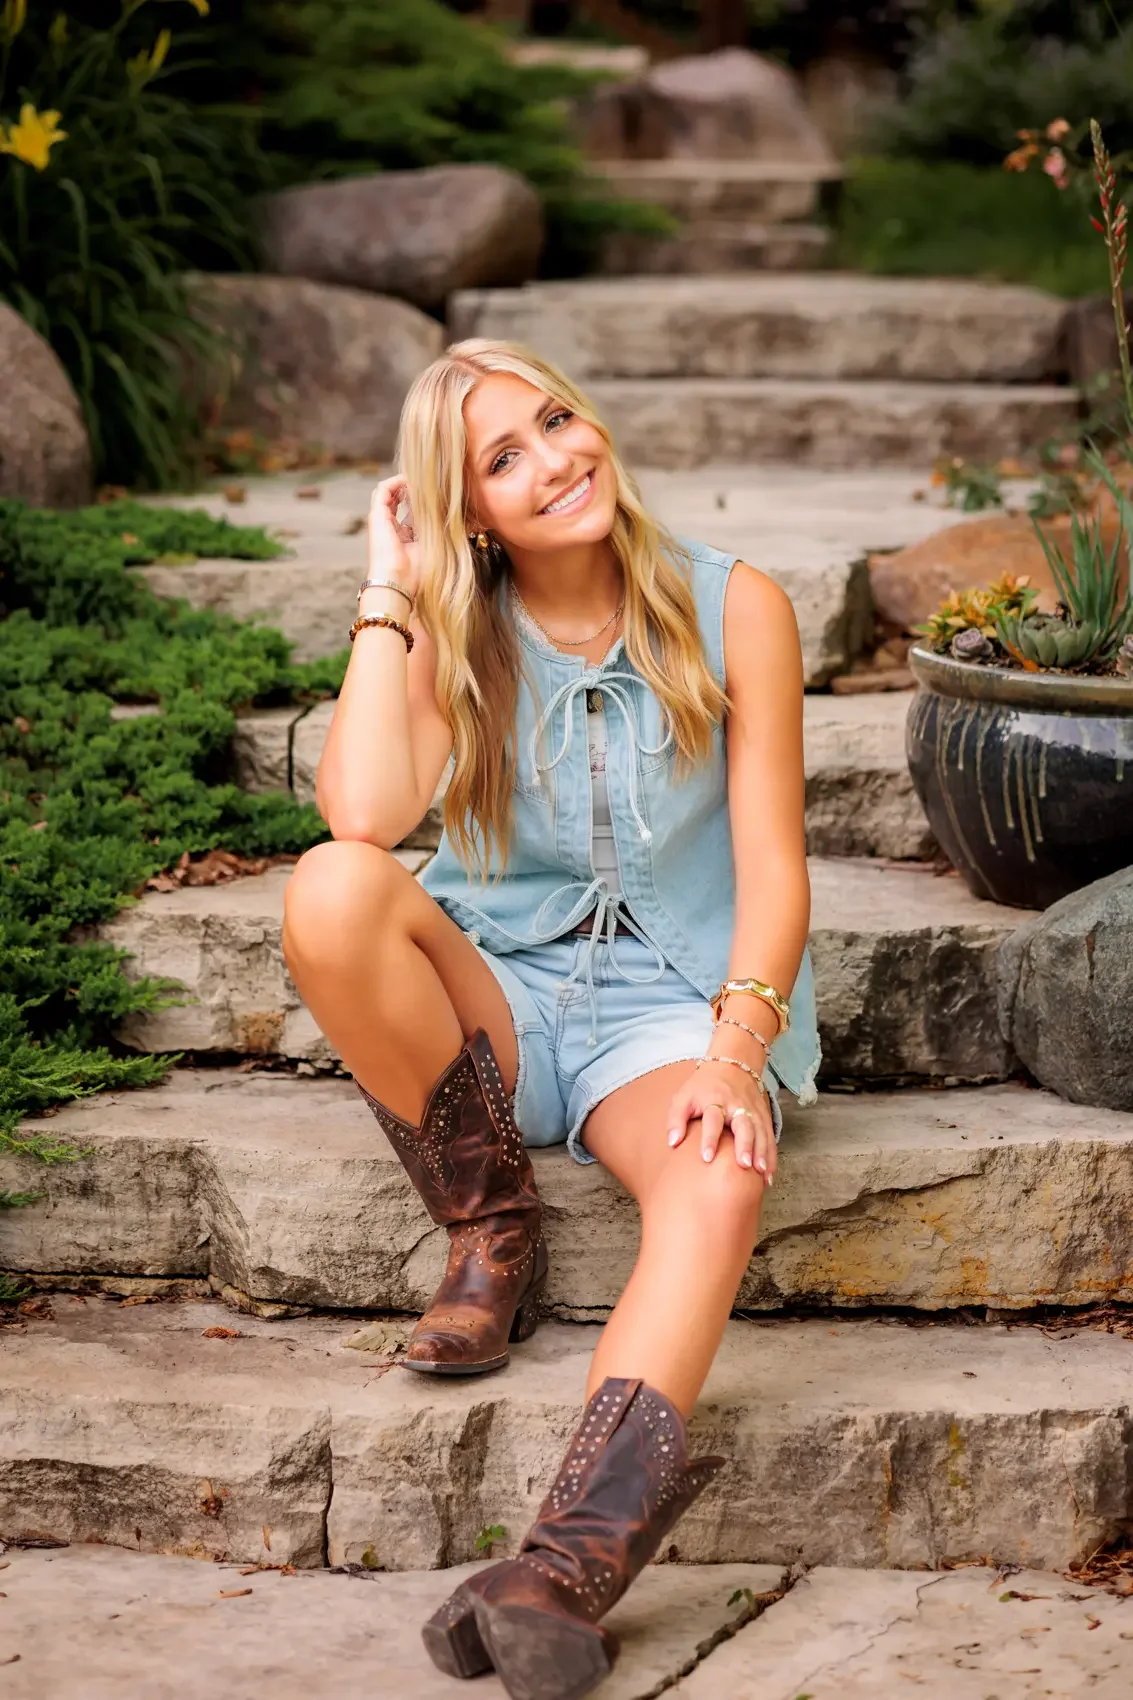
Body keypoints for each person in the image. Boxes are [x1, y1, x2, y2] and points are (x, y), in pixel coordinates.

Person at [281, 340, 820, 1700]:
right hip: (506, 996)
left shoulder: (734, 603)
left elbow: (777, 868)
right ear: (472, 512)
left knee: (716, 1171)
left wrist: (736, 1053)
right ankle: (493, 1222)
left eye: (558, 420)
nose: (558, 460)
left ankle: (564, 1568)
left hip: (670, 1014)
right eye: (503, 460)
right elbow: (362, 817)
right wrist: (390, 591)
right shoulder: (456, 628)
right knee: (335, 890)